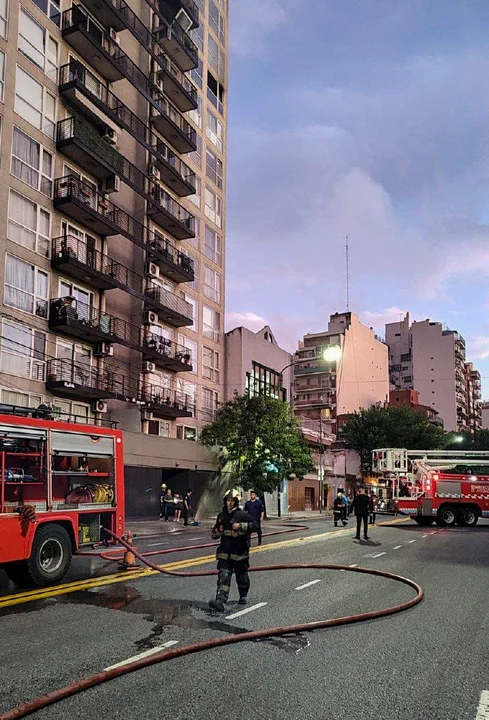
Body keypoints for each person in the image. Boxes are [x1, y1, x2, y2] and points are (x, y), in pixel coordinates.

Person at [209, 490, 257, 612]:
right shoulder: (222, 516)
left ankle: (243, 595)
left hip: (239, 552)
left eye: (231, 500)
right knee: (223, 576)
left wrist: (241, 526)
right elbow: (214, 533)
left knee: (242, 577)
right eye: (227, 500)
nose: (229, 503)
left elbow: (255, 526)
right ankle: (220, 600)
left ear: (236, 502)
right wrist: (217, 532)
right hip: (225, 552)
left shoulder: (242, 515)